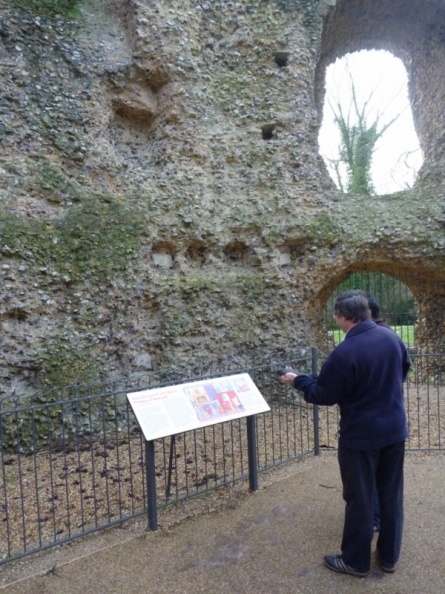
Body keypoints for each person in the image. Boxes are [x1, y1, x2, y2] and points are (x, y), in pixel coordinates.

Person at [279, 290, 410, 577]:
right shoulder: (391, 338)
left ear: (343, 316)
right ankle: (389, 557)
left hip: (361, 436)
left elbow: (323, 394)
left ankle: (355, 561)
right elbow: (403, 370)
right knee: (391, 494)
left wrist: (298, 380)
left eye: (336, 316)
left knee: (360, 498)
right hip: (394, 429)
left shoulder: (345, 352)